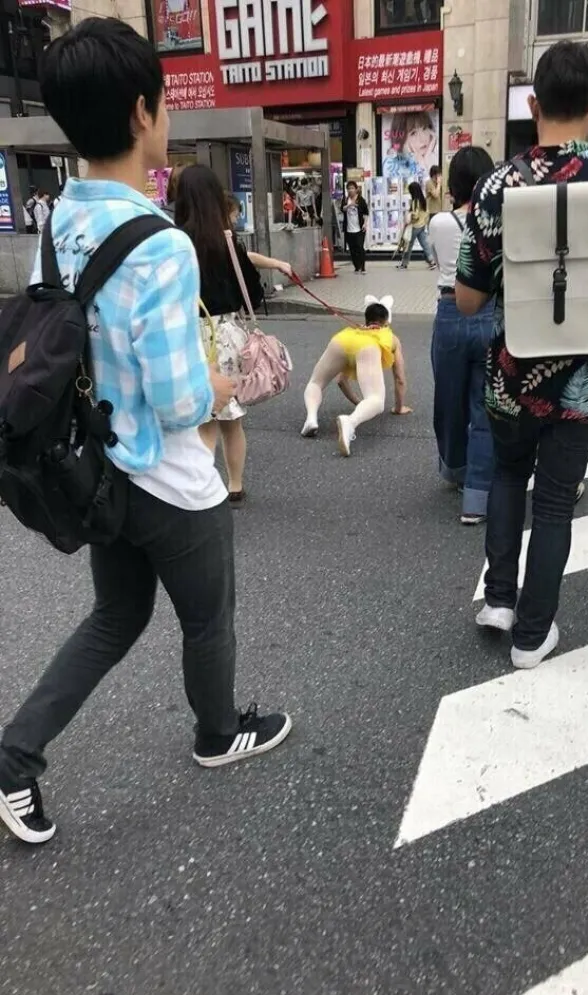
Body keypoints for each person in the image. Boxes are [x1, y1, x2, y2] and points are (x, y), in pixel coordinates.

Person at [0, 18, 292, 846]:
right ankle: (215, 732)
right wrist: (236, 381)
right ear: (140, 112)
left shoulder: (55, 223)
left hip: (92, 472)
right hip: (167, 478)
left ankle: (16, 756)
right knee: (208, 616)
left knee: (114, 617)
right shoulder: (160, 245)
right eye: (163, 101)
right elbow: (176, 400)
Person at [456, 39, 588, 669]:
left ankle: (499, 600)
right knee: (555, 501)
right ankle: (532, 635)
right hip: (586, 378)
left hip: (514, 376)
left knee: (509, 477)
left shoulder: (495, 185)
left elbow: (466, 300)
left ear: (534, 103)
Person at [175, 165, 290, 507]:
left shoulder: (174, 242)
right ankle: (234, 485)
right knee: (231, 420)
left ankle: (200, 487)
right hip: (226, 332)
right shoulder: (229, 242)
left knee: (204, 421)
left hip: (189, 335)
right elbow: (253, 296)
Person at [429, 146, 495, 526]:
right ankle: (477, 497)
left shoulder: (441, 222)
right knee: (485, 407)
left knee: (448, 401)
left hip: (452, 312)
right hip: (490, 312)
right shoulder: (498, 220)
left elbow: (439, 262)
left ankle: (455, 468)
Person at [301, 295, 412, 457]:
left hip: (342, 340)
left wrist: (358, 403)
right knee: (376, 400)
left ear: (367, 319)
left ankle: (311, 418)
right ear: (387, 321)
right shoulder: (391, 338)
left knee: (316, 382)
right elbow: (399, 378)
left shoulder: (355, 330)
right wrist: (399, 407)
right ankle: (350, 422)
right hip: (368, 347)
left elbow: (341, 380)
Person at [398, 181, 435, 270]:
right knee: (425, 244)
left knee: (408, 245)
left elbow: (415, 215)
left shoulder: (415, 202)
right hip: (422, 225)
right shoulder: (423, 200)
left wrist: (409, 220)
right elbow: (426, 213)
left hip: (414, 226)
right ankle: (432, 261)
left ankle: (404, 264)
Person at [341, 181, 369, 274]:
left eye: (352, 188)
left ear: (356, 189)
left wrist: (365, 224)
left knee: (360, 247)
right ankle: (357, 267)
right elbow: (343, 209)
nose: (350, 190)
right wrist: (350, 204)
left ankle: (363, 267)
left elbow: (366, 213)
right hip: (348, 229)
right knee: (352, 249)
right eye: (349, 188)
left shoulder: (361, 200)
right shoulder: (345, 200)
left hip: (359, 228)